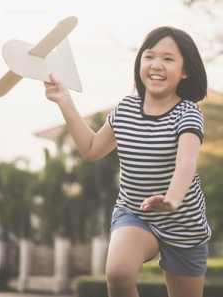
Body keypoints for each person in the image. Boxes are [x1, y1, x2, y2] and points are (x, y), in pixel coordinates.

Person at [45, 26, 211, 297]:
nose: (156, 65)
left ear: (185, 71)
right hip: (136, 213)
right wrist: (64, 100)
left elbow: (186, 163)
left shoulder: (188, 114)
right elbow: (91, 148)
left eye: (168, 59)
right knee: (119, 273)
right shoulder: (125, 109)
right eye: (150, 56)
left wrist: (172, 199)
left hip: (183, 222)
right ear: (140, 63)